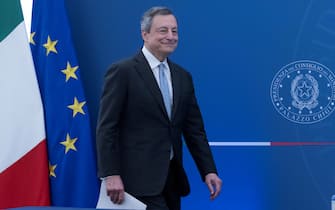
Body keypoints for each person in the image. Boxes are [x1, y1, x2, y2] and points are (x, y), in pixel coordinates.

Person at [96, 6, 222, 210]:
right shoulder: (123, 72)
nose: (171, 36)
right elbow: (106, 127)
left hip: (171, 182)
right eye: (163, 30)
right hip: (134, 183)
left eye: (175, 31)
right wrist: (111, 174)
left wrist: (209, 171)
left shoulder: (183, 77)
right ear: (144, 34)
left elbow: (194, 131)